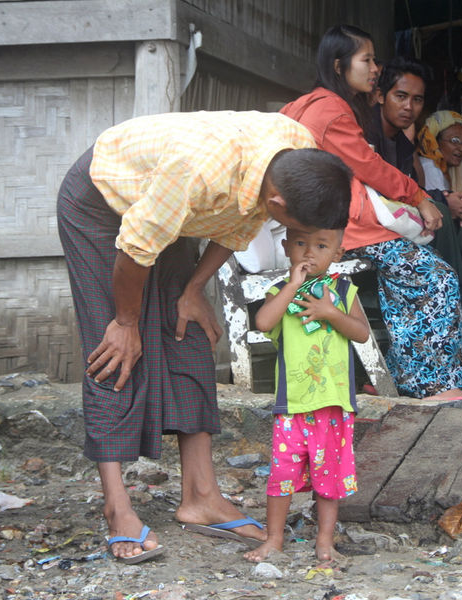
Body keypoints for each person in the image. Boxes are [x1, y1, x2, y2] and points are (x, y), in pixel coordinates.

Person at [56, 110, 353, 563]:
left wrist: (194, 288)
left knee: (190, 329)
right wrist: (127, 322)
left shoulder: (298, 148)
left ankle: (200, 496)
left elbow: (237, 223)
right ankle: (118, 507)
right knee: (114, 349)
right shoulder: (198, 173)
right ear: (278, 206)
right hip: (100, 203)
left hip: (171, 207)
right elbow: (134, 249)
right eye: (296, 233)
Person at [281, 24, 462, 401]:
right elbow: (369, 166)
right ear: (339, 66)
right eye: (366, 60)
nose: (374, 69)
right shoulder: (332, 110)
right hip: (336, 231)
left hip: (320, 227)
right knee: (435, 277)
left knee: (416, 272)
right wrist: (419, 197)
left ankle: (405, 379)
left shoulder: (306, 103)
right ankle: (433, 388)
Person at [244, 226, 369, 563]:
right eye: (300, 244)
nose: (309, 253)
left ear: (337, 254)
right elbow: (263, 322)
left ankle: (325, 542)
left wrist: (330, 312)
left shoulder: (344, 291)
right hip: (293, 405)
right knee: (281, 475)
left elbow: (361, 333)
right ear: (286, 248)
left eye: (320, 245)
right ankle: (274, 539)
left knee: (329, 478)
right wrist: (292, 286)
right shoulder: (280, 292)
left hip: (333, 403)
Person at [367, 56, 462, 330]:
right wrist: (440, 199)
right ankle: (452, 300)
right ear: (380, 96)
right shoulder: (368, 132)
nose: (409, 107)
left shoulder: (401, 142)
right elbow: (383, 187)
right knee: (442, 210)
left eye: (417, 100)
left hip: (398, 215)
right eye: (400, 96)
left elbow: (409, 188)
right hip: (371, 221)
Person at [416, 110, 462, 224]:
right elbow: (445, 209)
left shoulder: (444, 170)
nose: (461, 148)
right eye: (455, 140)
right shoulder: (429, 167)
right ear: (435, 141)